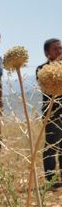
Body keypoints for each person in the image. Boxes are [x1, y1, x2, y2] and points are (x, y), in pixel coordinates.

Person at [36, 38, 62, 189]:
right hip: (52, 114)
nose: (59, 51)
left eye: (61, 48)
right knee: (51, 146)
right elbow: (44, 85)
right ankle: (51, 180)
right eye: (56, 49)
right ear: (47, 53)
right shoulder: (42, 69)